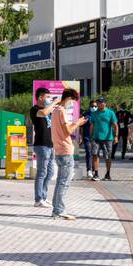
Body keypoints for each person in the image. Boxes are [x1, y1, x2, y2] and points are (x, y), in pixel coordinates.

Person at [50, 88, 86, 220]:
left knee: (61, 181)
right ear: (69, 98)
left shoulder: (55, 111)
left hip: (59, 150)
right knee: (64, 182)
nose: (72, 104)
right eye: (73, 101)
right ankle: (59, 210)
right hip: (65, 150)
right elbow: (67, 131)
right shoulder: (62, 111)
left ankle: (56, 209)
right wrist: (78, 123)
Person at [30, 87, 56, 209]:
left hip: (50, 145)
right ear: (40, 97)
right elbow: (44, 113)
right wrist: (54, 102)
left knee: (50, 172)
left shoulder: (48, 110)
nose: (49, 99)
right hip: (41, 145)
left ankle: (44, 197)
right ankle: (38, 199)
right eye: (47, 97)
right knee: (41, 172)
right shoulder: (35, 109)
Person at [89, 97, 119, 180]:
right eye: (98, 103)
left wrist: (116, 136)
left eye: (101, 102)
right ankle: (96, 174)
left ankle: (108, 174)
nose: (99, 104)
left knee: (107, 157)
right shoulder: (94, 114)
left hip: (108, 139)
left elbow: (115, 125)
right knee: (95, 155)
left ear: (105, 103)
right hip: (96, 138)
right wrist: (91, 136)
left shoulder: (110, 113)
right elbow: (92, 125)